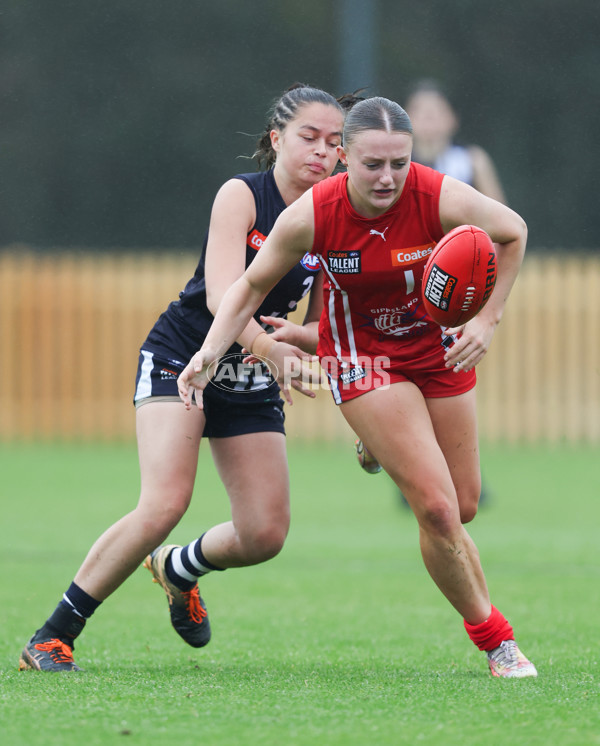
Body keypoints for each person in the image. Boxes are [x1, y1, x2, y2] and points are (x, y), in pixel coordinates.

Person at [177, 96, 537, 678]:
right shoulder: (315, 213)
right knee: (438, 511)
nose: (388, 177)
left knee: (463, 503)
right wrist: (209, 352)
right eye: (373, 164)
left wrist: (485, 320)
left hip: (435, 349)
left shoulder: (436, 192)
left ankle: (377, 444)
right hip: (362, 358)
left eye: (399, 162)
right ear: (345, 156)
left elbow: (511, 231)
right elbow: (243, 288)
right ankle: (497, 641)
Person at [19, 83, 350, 672]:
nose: (323, 152)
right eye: (309, 137)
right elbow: (227, 294)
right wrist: (270, 349)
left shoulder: (338, 219)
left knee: (264, 534)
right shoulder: (242, 195)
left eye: (335, 142)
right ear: (276, 140)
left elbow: (329, 324)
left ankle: (178, 568)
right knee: (165, 501)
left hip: (247, 375)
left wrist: (347, 380)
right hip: (183, 355)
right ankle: (52, 636)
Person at [355, 81, 505, 490]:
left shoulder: (470, 161)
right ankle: (400, 454)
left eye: (437, 112)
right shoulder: (391, 169)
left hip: (456, 294)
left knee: (453, 373)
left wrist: (478, 278)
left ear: (452, 119)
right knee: (402, 367)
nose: (430, 120)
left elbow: (502, 222)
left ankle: (441, 468)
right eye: (421, 113)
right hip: (398, 286)